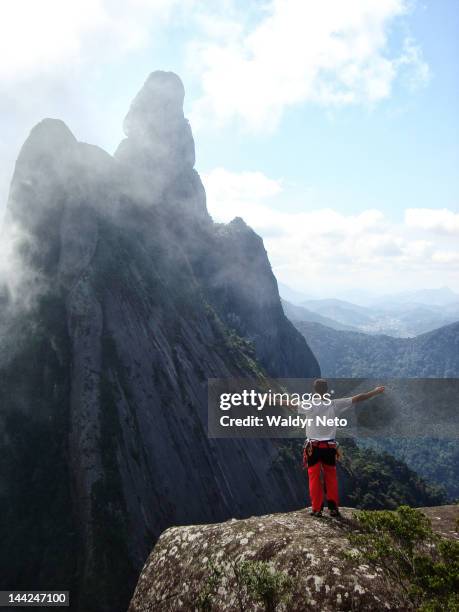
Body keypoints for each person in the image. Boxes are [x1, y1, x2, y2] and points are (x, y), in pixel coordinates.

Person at [282, 379, 385, 517]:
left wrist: (270, 399)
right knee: (331, 477)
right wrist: (375, 391)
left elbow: (291, 404)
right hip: (329, 448)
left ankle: (317, 509)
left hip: (313, 448)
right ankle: (333, 508)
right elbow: (358, 398)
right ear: (326, 389)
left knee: (314, 478)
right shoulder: (335, 404)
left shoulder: (309, 405)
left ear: (314, 390)